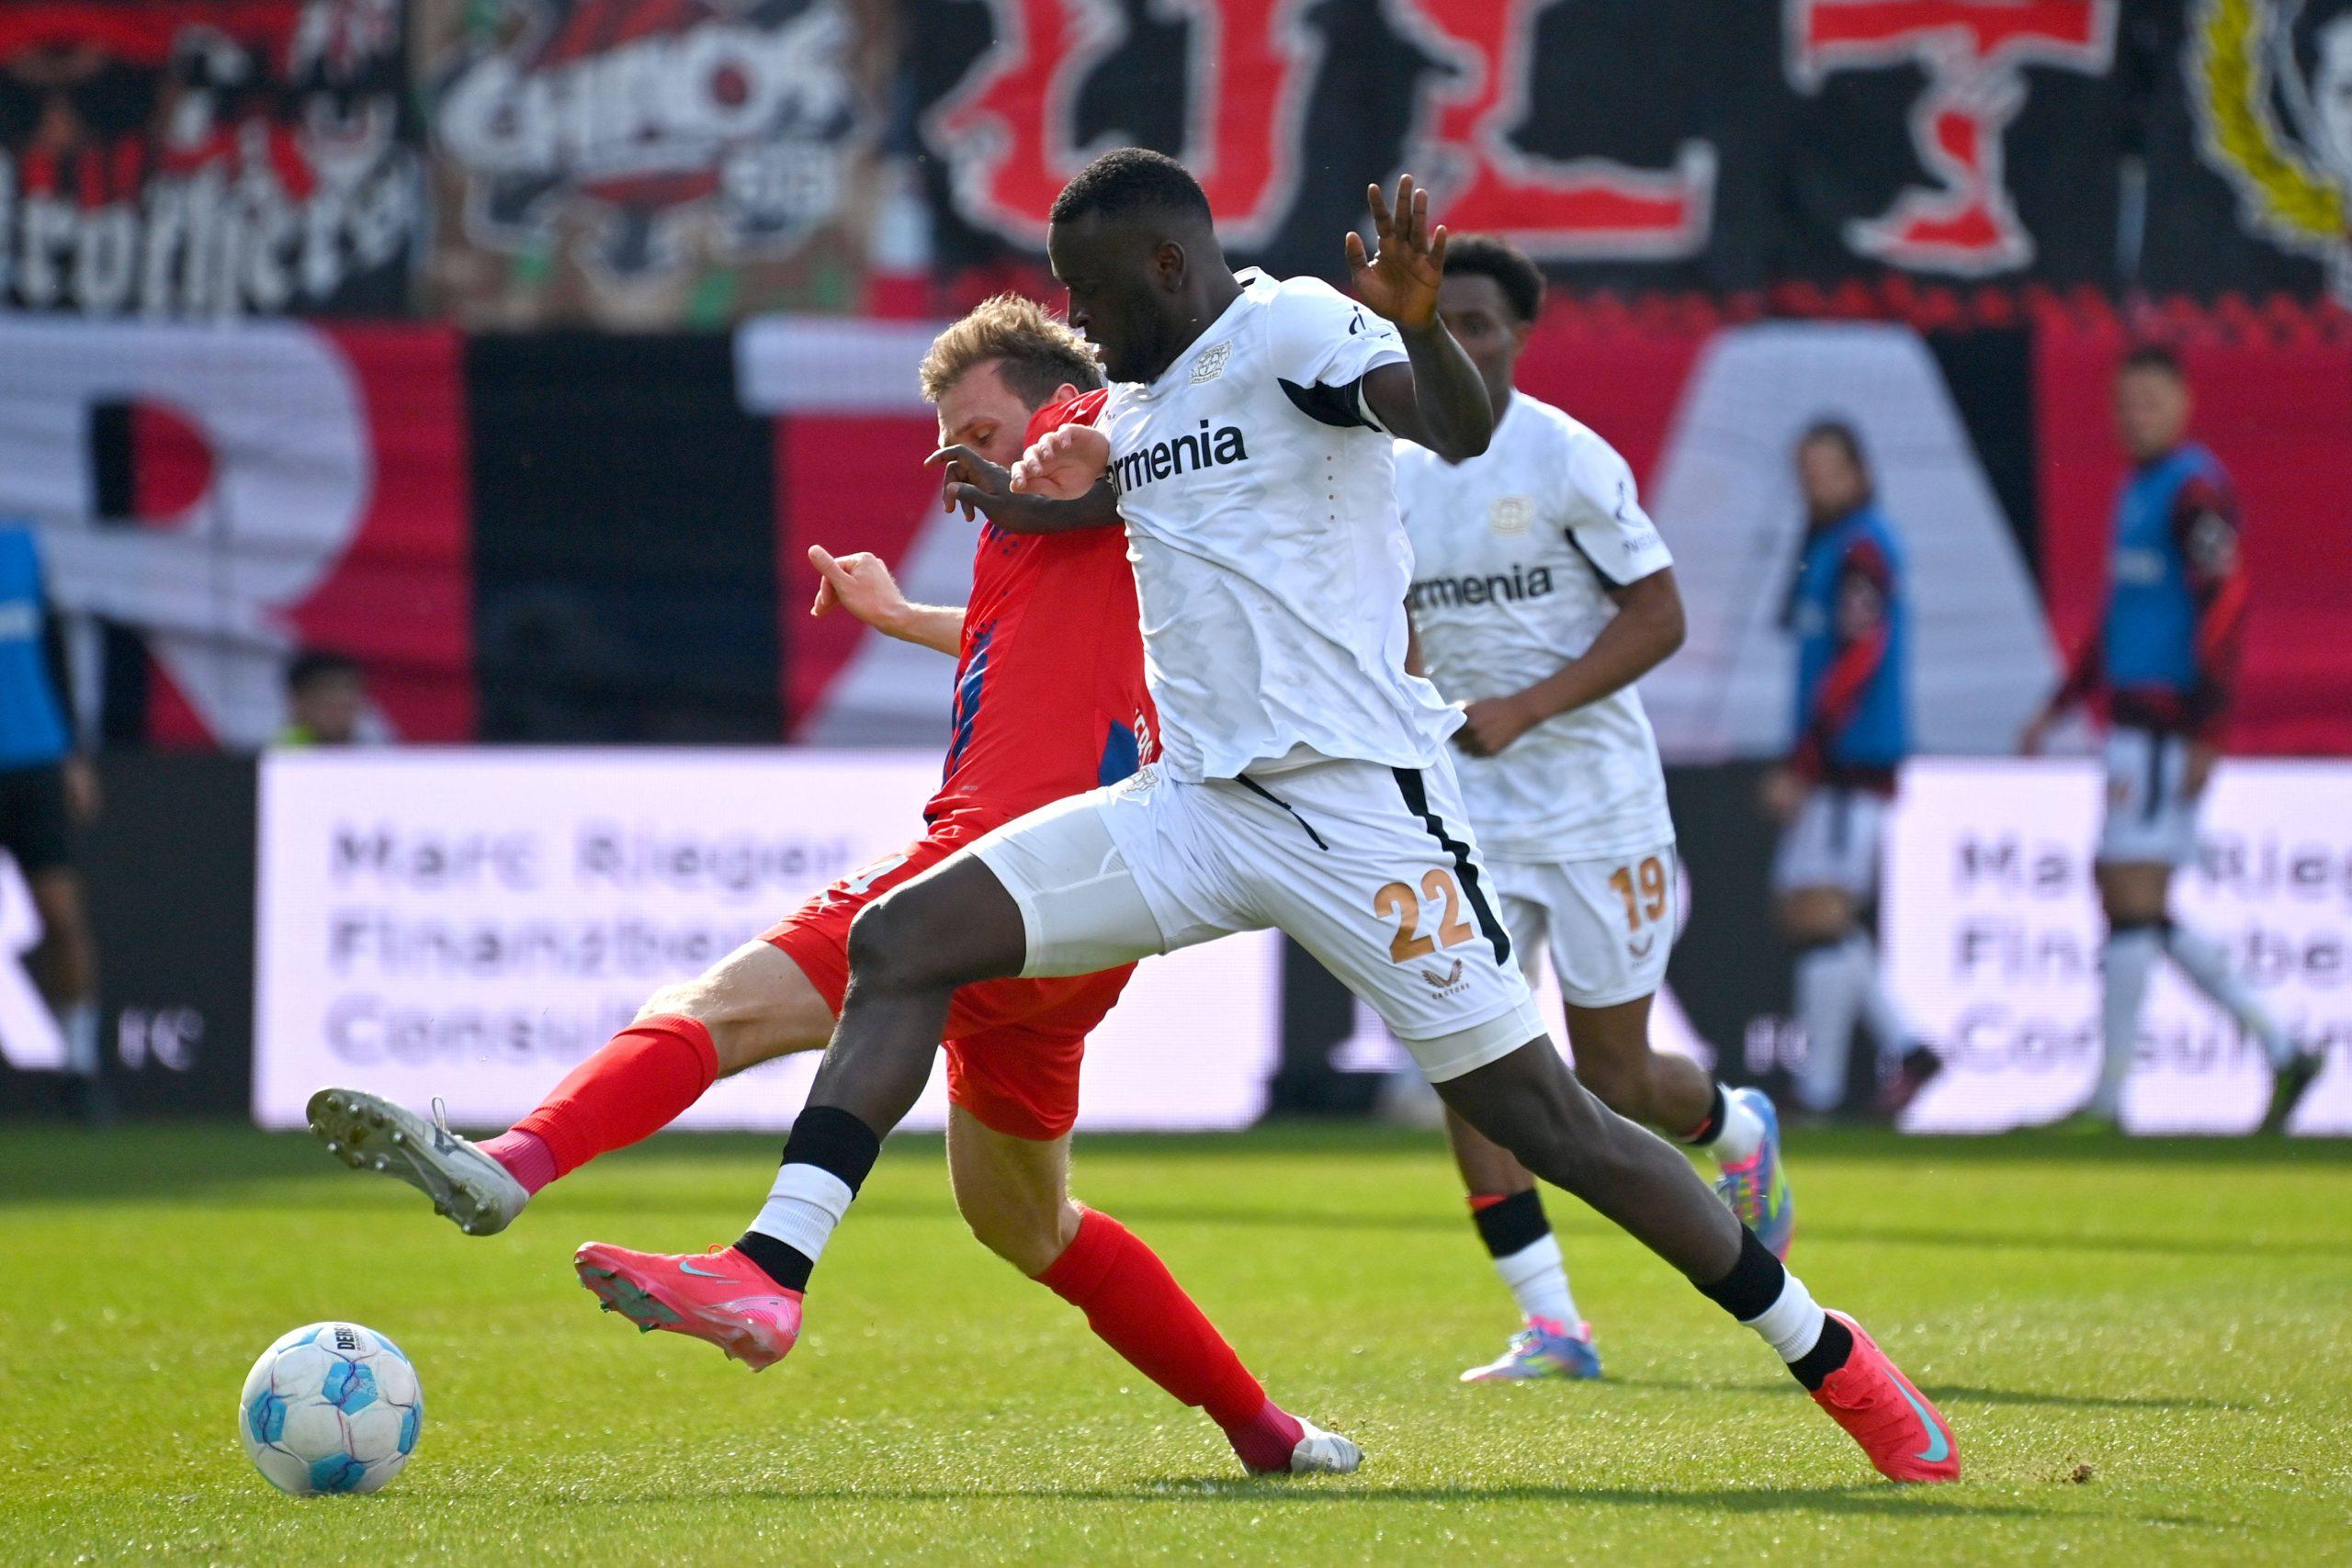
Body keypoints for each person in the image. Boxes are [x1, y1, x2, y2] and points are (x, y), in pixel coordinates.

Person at [584, 152, 1960, 1483]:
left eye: (1090, 293)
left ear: (1172, 266)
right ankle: (769, 1273)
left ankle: (1835, 1356)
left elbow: (1455, 425)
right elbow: (1142, 503)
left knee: (1555, 1120)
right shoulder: (1138, 400)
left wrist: (1424, 327)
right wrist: (1019, 502)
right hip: (1193, 806)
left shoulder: (1294, 325)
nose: (1078, 322)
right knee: (904, 936)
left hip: (1364, 816)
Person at [307, 294, 1360, 1477]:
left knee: (729, 1004)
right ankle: (1267, 1433)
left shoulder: (1085, 425)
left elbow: (1102, 444)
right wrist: (900, 615)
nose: (957, 452)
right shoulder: (1057, 541)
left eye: (976, 422)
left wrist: (1076, 439)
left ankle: (520, 1168)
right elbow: (1027, 632)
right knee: (1024, 1221)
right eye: (946, 434)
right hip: (1088, 908)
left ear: (1043, 393)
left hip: (987, 863)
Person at [1393, 235, 1788, 1383]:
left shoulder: (1565, 458)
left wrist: (1522, 705)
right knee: (1473, 1056)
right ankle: (1553, 1324)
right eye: (1440, 322)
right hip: (1470, 807)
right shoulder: (1393, 466)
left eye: (1478, 323)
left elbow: (1660, 617)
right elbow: (1392, 616)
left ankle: (1733, 1124)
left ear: (1516, 334)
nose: (1458, 341)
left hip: (1598, 804)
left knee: (1612, 1077)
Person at [2019, 344, 2317, 1132]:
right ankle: (2282, 1045)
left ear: (2183, 403)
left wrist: (2208, 726)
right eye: (2124, 402)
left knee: (2128, 891)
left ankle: (2112, 1098)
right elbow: (2120, 618)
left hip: (2166, 728)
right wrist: (2063, 700)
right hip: (2132, 723)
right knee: (2131, 899)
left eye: (2149, 400)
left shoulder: (2192, 488)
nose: (2134, 415)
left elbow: (2225, 601)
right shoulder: (2140, 487)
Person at [1761, 423, 1939, 1122]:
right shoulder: (1831, 544)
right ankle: (1905, 1047)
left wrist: (1809, 758)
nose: (1816, 483)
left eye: (1829, 468)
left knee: (1817, 904)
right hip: (1835, 755)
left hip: (1847, 759)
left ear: (1860, 472)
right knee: (1812, 909)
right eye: (1806, 469)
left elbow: (1860, 658)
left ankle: (1822, 1089)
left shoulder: (1864, 545)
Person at [0, 521, 104, 1122]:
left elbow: (55, 649)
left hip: (35, 758)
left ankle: (81, 1065)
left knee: (61, 913)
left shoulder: (21, 550)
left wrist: (73, 752)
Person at [277, 650, 367, 746]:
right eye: (329, 707)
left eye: (346, 707)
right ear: (300, 703)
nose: (338, 716)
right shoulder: (281, 753)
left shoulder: (371, 751)